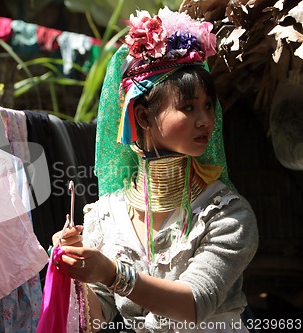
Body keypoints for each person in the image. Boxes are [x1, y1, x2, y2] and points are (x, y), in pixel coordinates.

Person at [52, 7, 259, 333]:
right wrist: (72, 269)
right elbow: (92, 321)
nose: (206, 120)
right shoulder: (105, 217)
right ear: (144, 117)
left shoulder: (227, 215)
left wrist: (111, 273)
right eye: (188, 107)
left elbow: (193, 304)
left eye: (207, 106)